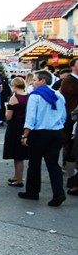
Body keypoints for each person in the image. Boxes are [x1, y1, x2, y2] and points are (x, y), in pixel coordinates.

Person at [19, 69, 68, 207]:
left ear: (43, 81)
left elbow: (30, 118)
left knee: (34, 164)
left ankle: (32, 191)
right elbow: (64, 115)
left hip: (39, 133)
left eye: (34, 80)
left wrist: (25, 135)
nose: (32, 83)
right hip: (56, 132)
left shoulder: (35, 96)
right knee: (53, 164)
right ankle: (58, 193)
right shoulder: (58, 95)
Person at [4, 77, 29, 187]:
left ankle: (19, 179)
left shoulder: (14, 98)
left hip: (15, 126)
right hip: (24, 125)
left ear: (14, 86)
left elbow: (8, 117)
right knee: (20, 154)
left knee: (16, 154)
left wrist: (6, 108)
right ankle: (16, 176)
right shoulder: (28, 96)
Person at [60, 58, 78, 196]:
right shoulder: (69, 80)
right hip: (70, 116)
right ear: (73, 67)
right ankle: (67, 167)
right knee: (70, 144)